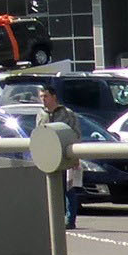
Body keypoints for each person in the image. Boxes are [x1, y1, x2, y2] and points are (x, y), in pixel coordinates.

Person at [38, 84, 79, 228]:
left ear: (54, 97)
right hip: (48, 158)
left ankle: (70, 219)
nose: (43, 99)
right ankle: (53, 219)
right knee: (51, 190)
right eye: (41, 96)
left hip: (65, 157)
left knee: (68, 190)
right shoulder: (41, 114)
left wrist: (75, 158)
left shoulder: (67, 113)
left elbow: (76, 134)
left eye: (46, 96)